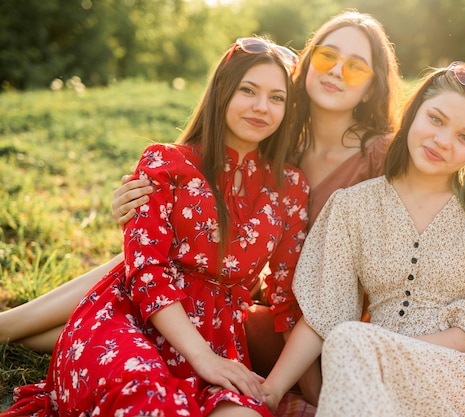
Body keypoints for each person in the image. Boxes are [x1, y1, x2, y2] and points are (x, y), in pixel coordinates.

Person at [0, 9, 465, 406]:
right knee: (162, 271)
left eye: (357, 68)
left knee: (189, 292)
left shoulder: (387, 154)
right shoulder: (276, 136)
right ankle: (14, 326)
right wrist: (140, 203)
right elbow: (198, 216)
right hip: (253, 293)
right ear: (305, 66)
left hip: (328, 316)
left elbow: (441, 221)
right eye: (327, 57)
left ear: (374, 86)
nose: (337, 73)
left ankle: (34, 329)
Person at [0, 36, 308, 417]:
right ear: (222, 92)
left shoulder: (290, 187)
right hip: (131, 319)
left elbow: (289, 297)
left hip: (219, 340)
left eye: (277, 98)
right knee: (148, 403)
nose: (262, 107)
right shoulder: (166, 162)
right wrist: (202, 359)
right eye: (249, 90)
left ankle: (26, 333)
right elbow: (146, 271)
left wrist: (285, 388)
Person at [261, 61, 465, 417]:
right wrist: (271, 389)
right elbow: (324, 314)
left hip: (464, 377)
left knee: (349, 341)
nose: (442, 141)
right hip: (372, 372)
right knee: (346, 343)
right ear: (414, 113)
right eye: (436, 119)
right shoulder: (352, 206)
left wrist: (387, 350)